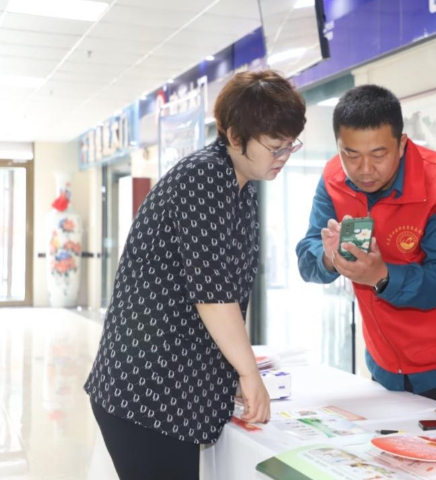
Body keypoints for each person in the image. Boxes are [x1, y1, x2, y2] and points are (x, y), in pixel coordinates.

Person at [84, 70, 307, 480]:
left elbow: (230, 289)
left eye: (290, 145)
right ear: (235, 137)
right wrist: (247, 372)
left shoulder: (240, 185)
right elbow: (214, 296)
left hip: (176, 390)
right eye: (276, 147)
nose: (284, 156)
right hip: (147, 391)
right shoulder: (203, 178)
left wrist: (237, 368)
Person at [296, 85, 436, 402]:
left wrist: (382, 276)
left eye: (378, 155)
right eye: (351, 155)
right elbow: (308, 255)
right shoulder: (333, 179)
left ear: (401, 145)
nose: (364, 169)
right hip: (383, 361)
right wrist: (329, 258)